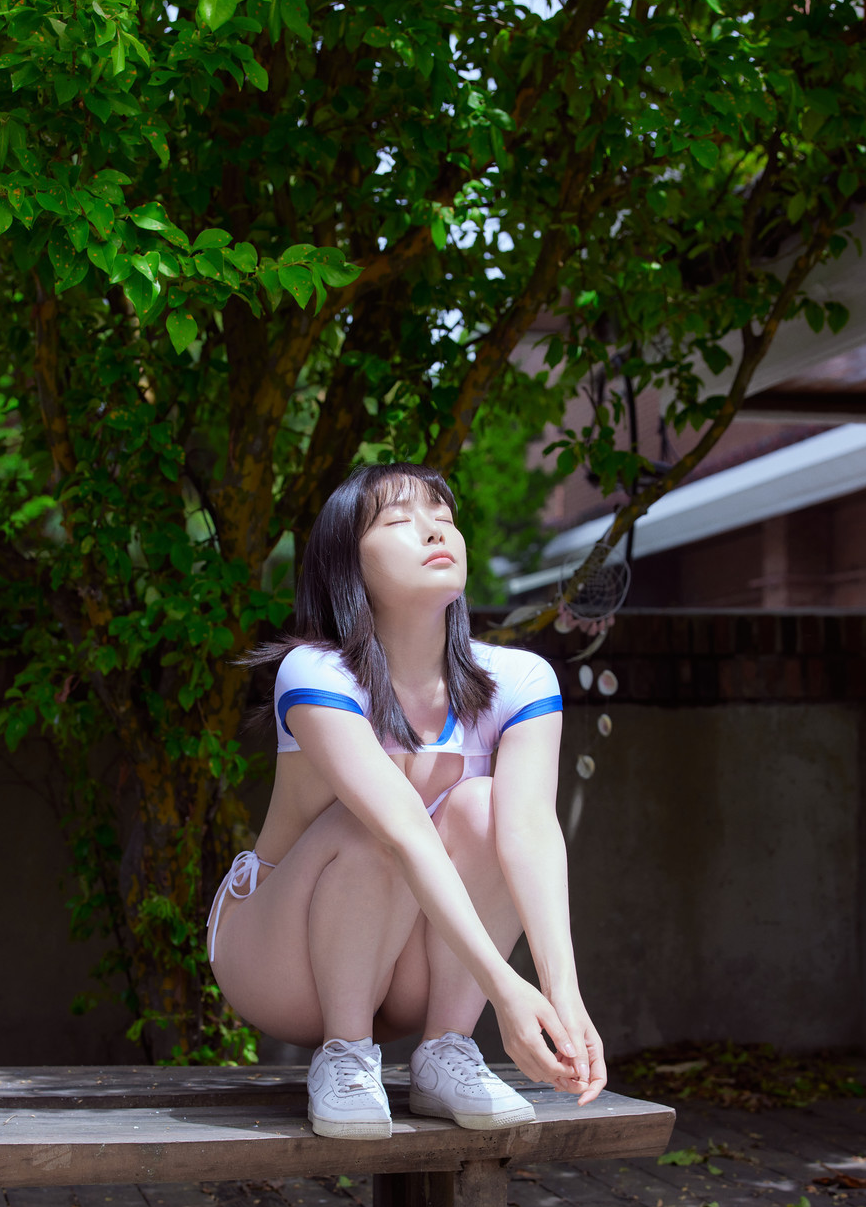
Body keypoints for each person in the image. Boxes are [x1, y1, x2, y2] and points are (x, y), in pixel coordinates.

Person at [206, 462, 606, 1139]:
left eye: (442, 517)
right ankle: (344, 1054)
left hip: (410, 963)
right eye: (398, 520)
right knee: (376, 822)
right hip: (281, 960)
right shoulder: (317, 672)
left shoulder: (519, 679)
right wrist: (506, 990)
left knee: (487, 806)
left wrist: (561, 993)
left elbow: (531, 831)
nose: (433, 531)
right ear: (348, 565)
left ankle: (446, 1048)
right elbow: (402, 832)